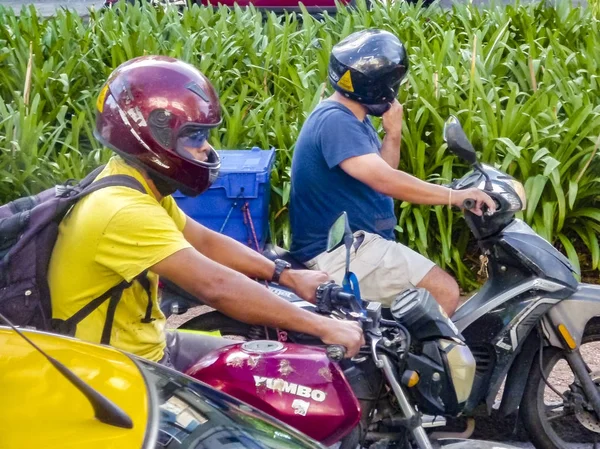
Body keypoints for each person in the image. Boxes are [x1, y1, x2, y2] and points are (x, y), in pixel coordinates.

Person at [47, 55, 364, 372]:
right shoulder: (123, 211)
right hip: (114, 370)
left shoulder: (134, 182)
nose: (207, 149)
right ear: (154, 136)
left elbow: (204, 241)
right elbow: (217, 287)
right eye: (195, 136)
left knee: (262, 363)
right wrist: (323, 327)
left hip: (147, 344)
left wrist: (288, 275)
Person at [289, 29, 495, 316]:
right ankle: (413, 363)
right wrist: (455, 197)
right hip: (340, 253)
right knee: (443, 291)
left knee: (411, 309)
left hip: (357, 245)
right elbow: (384, 181)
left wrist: (393, 133)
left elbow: (381, 172)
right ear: (380, 87)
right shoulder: (337, 122)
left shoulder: (349, 117)